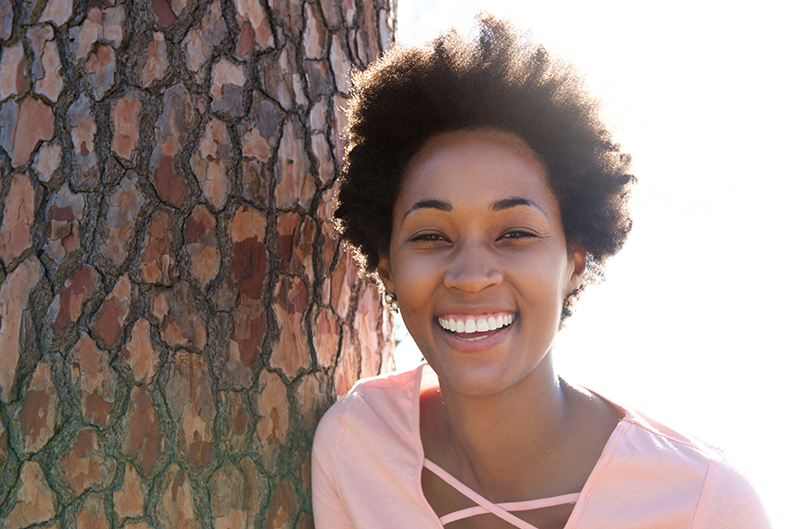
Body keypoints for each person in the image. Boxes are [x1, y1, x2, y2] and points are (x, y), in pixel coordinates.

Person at [312, 15, 771, 529]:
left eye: (515, 234)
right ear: (386, 264)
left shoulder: (704, 504)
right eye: (431, 236)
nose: (470, 275)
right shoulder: (354, 451)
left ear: (575, 259)